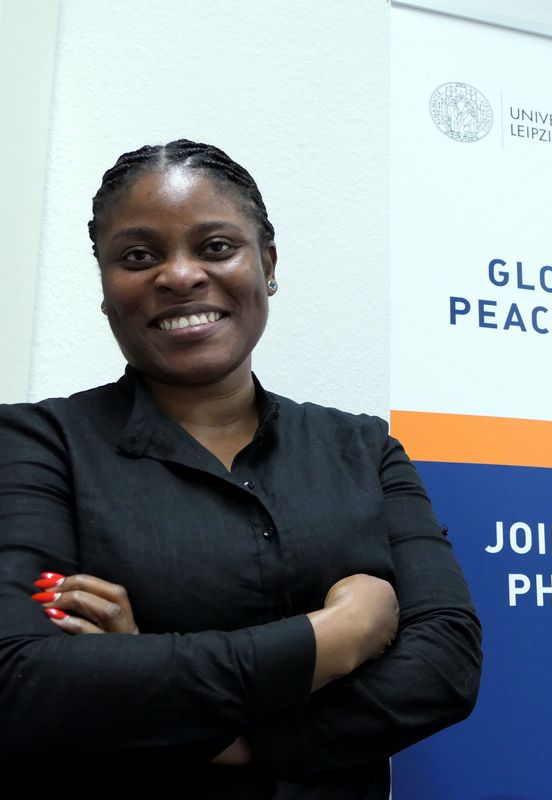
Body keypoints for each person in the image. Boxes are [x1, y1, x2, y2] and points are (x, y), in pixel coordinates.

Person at [0, 140, 483, 796]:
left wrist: (216, 727)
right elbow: (23, 683)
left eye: (216, 246)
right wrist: (335, 638)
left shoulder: (362, 450)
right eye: (138, 256)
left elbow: (445, 665)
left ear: (268, 264)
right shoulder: (35, 446)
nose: (178, 275)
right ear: (106, 286)